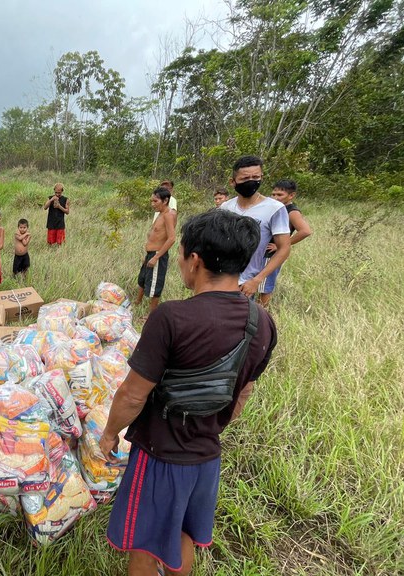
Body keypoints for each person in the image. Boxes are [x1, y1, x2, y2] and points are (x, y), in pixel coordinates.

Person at [100, 210, 277, 576]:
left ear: (194, 260)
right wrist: (210, 427)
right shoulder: (262, 323)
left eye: (181, 254)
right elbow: (242, 393)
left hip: (160, 455)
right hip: (207, 458)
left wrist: (108, 432)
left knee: (145, 547)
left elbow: (133, 395)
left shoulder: (171, 317)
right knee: (183, 534)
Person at [220, 156, 291, 298]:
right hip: (222, 279)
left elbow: (284, 248)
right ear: (233, 182)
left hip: (246, 283)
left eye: (255, 177)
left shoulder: (274, 208)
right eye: (245, 178)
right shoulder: (225, 207)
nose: (251, 182)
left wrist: (257, 280)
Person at [258, 179, 313, 306]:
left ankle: (261, 313)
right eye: (273, 194)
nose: (275, 197)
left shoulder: (292, 211)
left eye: (280, 195)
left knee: (265, 285)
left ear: (291, 195)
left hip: (271, 254)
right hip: (262, 252)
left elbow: (305, 231)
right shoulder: (275, 208)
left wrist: (281, 245)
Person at [135, 188, 176, 312]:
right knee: (143, 279)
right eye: (151, 201)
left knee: (155, 285)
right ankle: (137, 303)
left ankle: (152, 315)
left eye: (155, 201)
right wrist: (148, 255)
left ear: (165, 201)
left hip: (158, 254)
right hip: (151, 253)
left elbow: (172, 238)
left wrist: (156, 257)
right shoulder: (160, 214)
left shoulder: (169, 215)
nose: (152, 204)